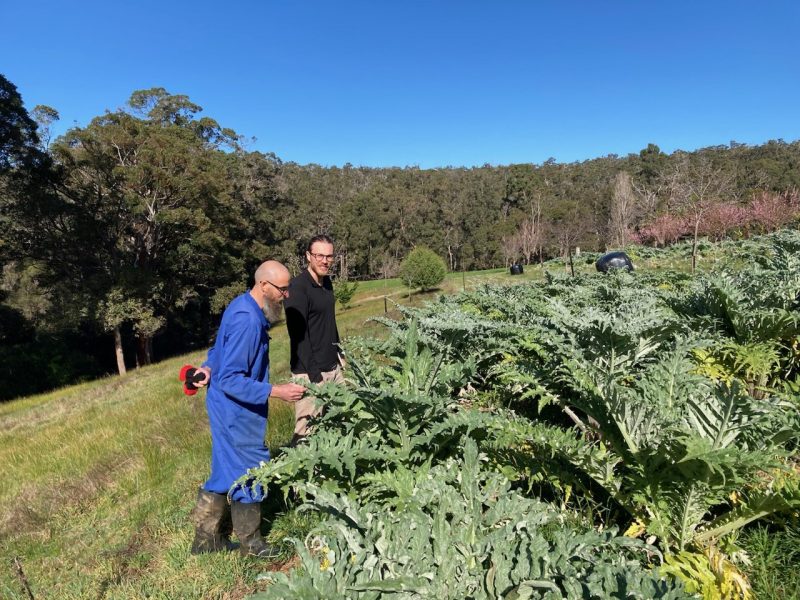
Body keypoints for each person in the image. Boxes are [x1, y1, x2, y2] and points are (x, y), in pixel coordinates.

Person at [188, 260, 306, 558]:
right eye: (282, 289)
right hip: (236, 411)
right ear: (264, 286)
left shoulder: (241, 306)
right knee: (252, 469)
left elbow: (219, 351)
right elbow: (231, 379)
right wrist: (276, 391)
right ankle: (251, 544)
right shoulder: (248, 321)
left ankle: (204, 542)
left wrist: (207, 367)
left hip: (227, 407)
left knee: (225, 470)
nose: (286, 295)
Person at [284, 235, 345, 446]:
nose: (325, 261)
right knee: (305, 433)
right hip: (309, 373)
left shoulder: (327, 283)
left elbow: (329, 321)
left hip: (333, 367)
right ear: (308, 256)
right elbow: (298, 335)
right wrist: (315, 376)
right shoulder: (297, 288)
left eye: (329, 256)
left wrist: (340, 354)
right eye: (320, 255)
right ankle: (295, 474)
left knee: (339, 421)